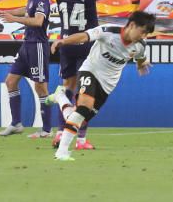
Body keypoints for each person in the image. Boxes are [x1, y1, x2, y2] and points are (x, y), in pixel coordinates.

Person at [48, 11, 155, 161]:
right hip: (90, 71)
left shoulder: (140, 45)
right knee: (83, 108)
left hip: (107, 85)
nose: (143, 37)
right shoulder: (109, 31)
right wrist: (63, 41)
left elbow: (140, 57)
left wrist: (140, 65)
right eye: (142, 32)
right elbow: (85, 36)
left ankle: (60, 97)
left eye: (146, 34)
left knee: (78, 117)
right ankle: (62, 152)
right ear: (132, 25)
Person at [52, 0, 113, 150]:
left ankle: (60, 133)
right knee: (85, 93)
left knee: (66, 88)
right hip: (87, 44)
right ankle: (80, 140)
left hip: (67, 43)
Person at [0, 0, 52, 138]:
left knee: (41, 87)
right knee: (10, 81)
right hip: (27, 45)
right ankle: (16, 123)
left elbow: (38, 21)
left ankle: (47, 129)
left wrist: (14, 20)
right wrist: (7, 13)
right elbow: (27, 9)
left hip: (38, 47)